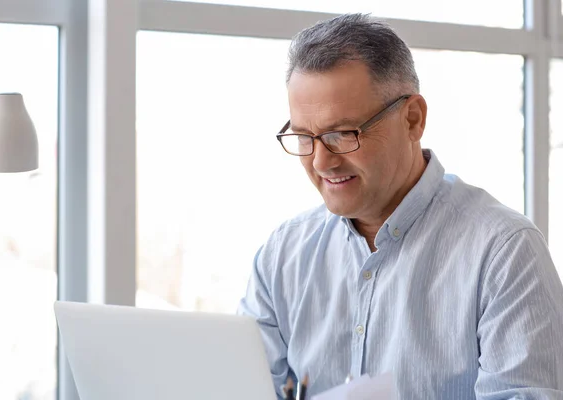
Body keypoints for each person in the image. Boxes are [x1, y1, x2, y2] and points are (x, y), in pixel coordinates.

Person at [237, 13, 563, 400]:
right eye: (305, 137)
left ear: (413, 119)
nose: (322, 162)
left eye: (343, 134)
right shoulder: (282, 256)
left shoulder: (504, 252)